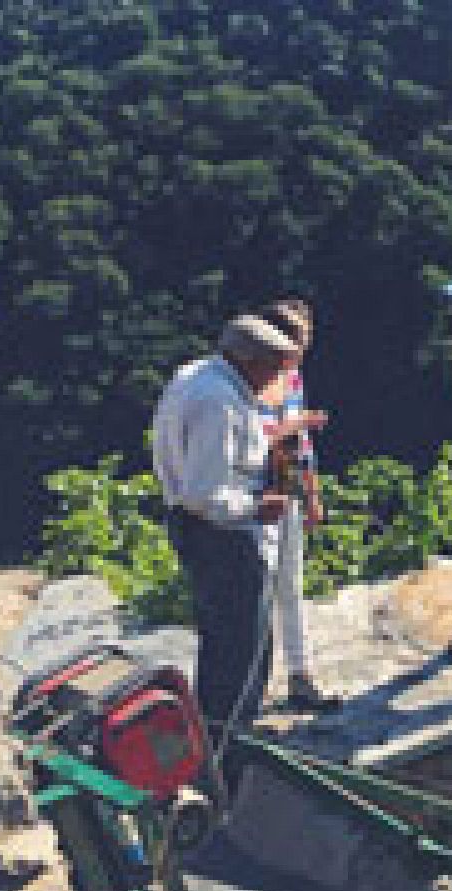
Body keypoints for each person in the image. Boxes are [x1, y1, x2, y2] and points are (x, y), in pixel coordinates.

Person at [151, 314, 296, 777]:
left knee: (222, 649)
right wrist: (258, 506)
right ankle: (228, 762)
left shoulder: (196, 377)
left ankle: (215, 748)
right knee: (239, 656)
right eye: (272, 368)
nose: (274, 380)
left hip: (199, 529)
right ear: (246, 360)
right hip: (221, 537)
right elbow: (203, 494)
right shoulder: (219, 403)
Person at [254, 294, 338, 712]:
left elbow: (300, 445)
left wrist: (312, 494)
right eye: (299, 341)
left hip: (284, 487)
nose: (303, 350)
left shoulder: (293, 379)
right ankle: (252, 681)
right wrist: (300, 422)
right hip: (253, 497)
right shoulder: (255, 380)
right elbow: (257, 435)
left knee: (290, 585)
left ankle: (300, 676)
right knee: (258, 590)